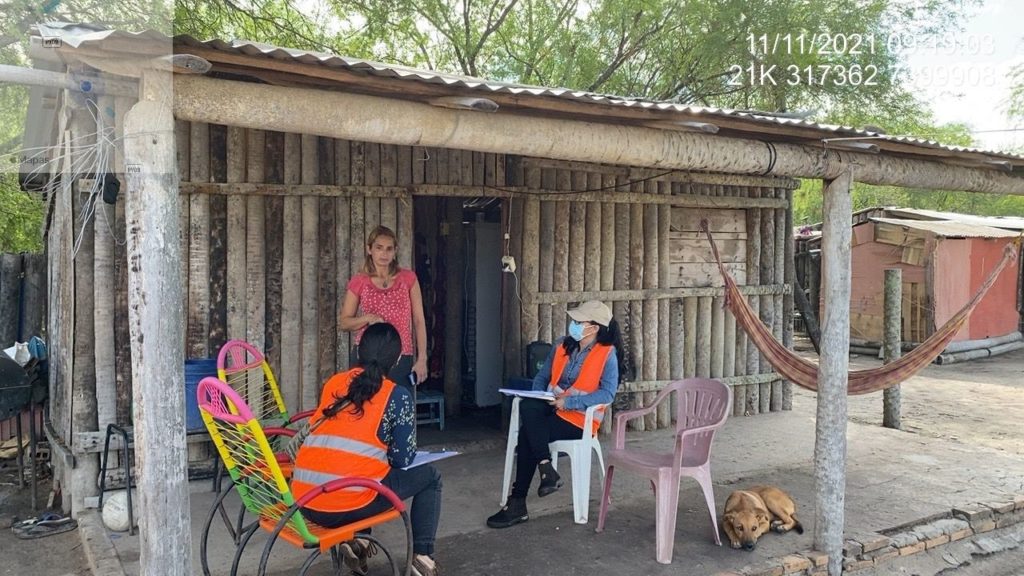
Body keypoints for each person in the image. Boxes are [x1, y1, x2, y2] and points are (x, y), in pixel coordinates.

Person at [291, 323, 442, 576]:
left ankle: (359, 542)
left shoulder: (334, 382)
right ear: (396, 361)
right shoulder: (397, 395)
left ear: (358, 352)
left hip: (305, 501)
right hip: (346, 504)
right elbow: (402, 458)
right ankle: (423, 558)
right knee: (430, 478)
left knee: (364, 471)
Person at [487, 300, 623, 529]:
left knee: (527, 434)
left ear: (594, 327)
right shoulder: (562, 345)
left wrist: (569, 402)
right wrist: (539, 395)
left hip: (579, 421)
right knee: (529, 407)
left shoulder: (607, 354)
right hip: (551, 409)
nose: (574, 324)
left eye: (579, 321)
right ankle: (545, 469)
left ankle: (520, 501)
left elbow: (608, 393)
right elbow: (542, 377)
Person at [340, 225, 428, 386]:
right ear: (369, 249)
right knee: (364, 400)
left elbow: (419, 320)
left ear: (395, 251)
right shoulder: (360, 281)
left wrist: (422, 358)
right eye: (379, 248)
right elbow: (345, 322)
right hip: (367, 354)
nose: (384, 254)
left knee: (399, 399)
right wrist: (368, 318)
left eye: (389, 249)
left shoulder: (408, 278)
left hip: (401, 354)